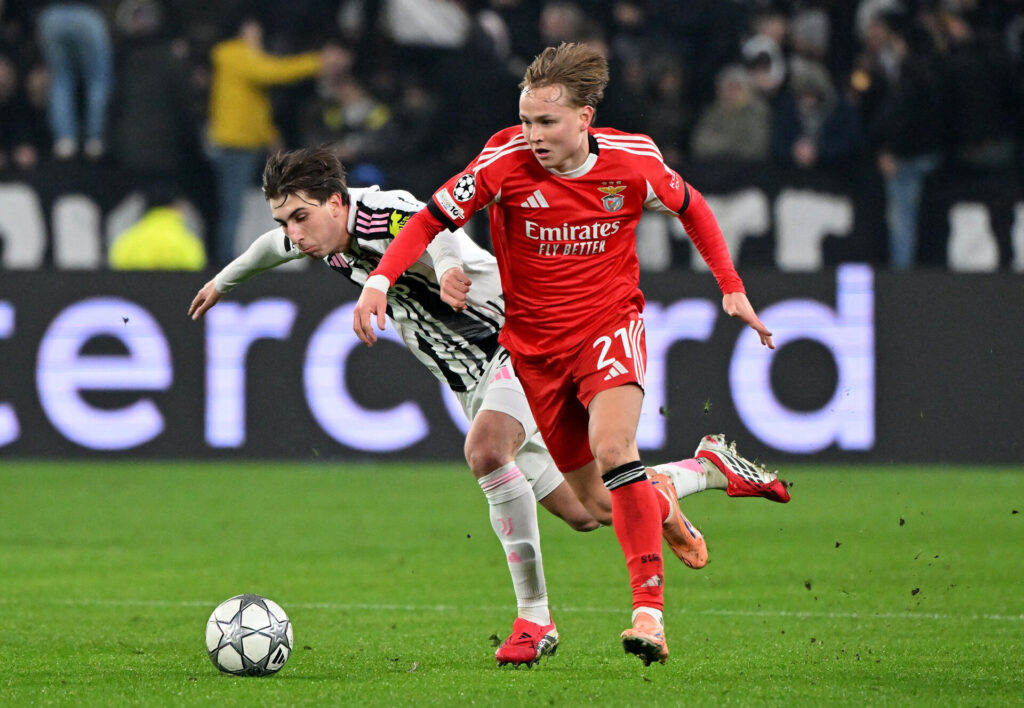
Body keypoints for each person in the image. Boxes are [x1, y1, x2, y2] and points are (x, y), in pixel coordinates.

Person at [191, 146, 789, 668]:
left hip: (515, 341)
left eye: (300, 216)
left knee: (485, 449)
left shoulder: (379, 211)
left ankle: (535, 621)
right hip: (471, 379)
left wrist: (450, 271)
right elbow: (271, 248)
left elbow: (438, 227)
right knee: (594, 510)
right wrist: (224, 282)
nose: (295, 233)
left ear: (335, 201)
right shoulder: (321, 238)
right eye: (285, 219)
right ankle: (704, 471)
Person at [353, 43, 779, 667]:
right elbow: (427, 221)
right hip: (534, 352)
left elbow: (694, 208)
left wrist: (732, 288)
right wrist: (379, 280)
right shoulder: (501, 164)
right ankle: (704, 470)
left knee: (614, 451)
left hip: (609, 326)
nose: (532, 135)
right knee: (598, 506)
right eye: (525, 121)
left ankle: (649, 617)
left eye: (546, 122)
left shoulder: (634, 162)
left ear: (585, 118)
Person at [206, 13, 343, 266]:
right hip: (233, 145)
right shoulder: (234, 54)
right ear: (245, 31)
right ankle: (222, 262)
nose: (259, 37)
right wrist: (316, 62)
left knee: (237, 205)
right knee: (231, 207)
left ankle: (232, 257)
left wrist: (271, 137)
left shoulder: (240, 57)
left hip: (246, 143)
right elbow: (272, 72)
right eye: (255, 32)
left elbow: (252, 103)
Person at [36, 1, 114, 160]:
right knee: (98, 79)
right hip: (87, 13)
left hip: (52, 15)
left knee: (60, 81)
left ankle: (65, 140)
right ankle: (96, 139)